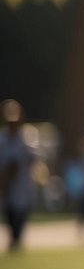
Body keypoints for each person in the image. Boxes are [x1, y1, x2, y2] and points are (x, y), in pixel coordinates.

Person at [0, 99, 36, 253]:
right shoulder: (2, 140)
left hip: (21, 187)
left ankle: (17, 241)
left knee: (19, 217)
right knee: (10, 216)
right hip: (6, 187)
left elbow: (28, 161)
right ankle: (14, 242)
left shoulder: (25, 139)